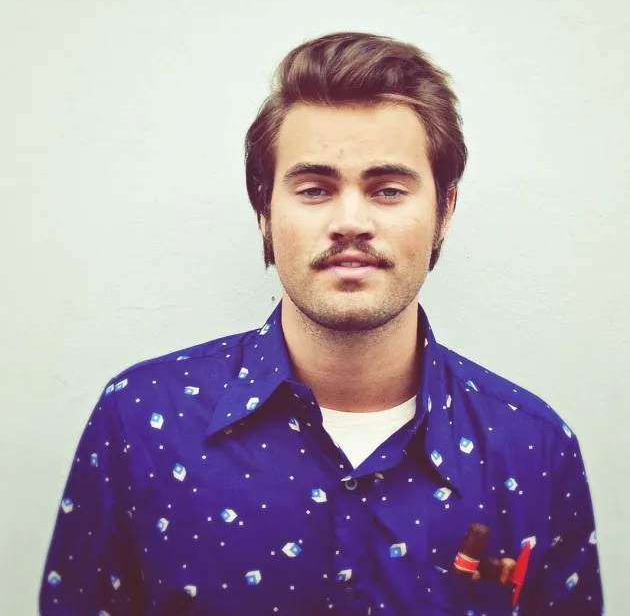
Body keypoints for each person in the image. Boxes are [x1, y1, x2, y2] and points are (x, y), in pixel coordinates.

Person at [39, 31, 603, 615]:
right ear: (264, 210)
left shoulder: (533, 448)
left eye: (388, 190)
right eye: (314, 189)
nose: (350, 221)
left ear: (445, 211)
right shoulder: (141, 422)